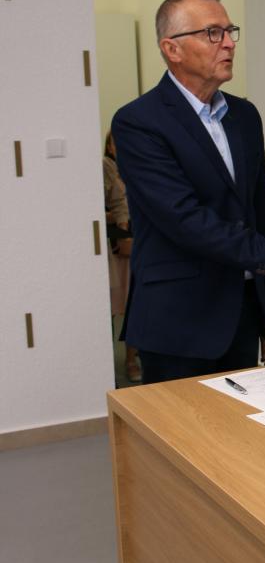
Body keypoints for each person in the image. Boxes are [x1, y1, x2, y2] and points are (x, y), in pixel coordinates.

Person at [112, 0, 265, 385]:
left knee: (241, 424)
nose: (229, 43)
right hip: (176, 324)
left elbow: (258, 215)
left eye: (230, 31)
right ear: (172, 49)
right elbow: (186, 221)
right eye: (212, 33)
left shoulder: (244, 115)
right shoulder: (138, 122)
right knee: (179, 426)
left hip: (239, 316)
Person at [103, 129, 141, 383]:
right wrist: (116, 220)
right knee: (113, 306)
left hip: (137, 243)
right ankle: (107, 365)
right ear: (109, 146)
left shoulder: (138, 167)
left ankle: (131, 359)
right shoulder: (106, 167)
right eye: (115, 143)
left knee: (135, 305)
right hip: (114, 246)